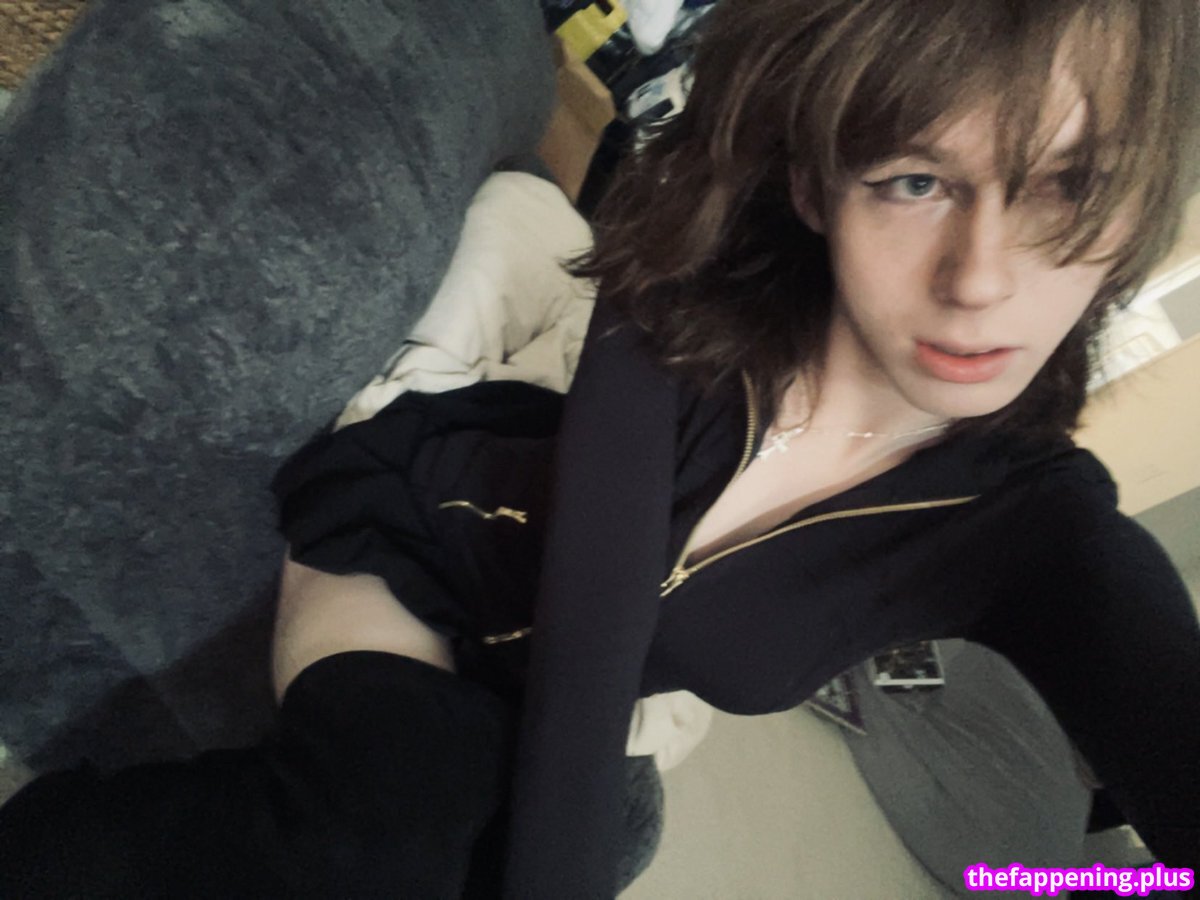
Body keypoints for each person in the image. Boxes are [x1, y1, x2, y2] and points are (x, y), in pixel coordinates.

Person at [3, 0, 1199, 897]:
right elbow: (586, 669)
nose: (980, 280)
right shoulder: (683, 305)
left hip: (519, 686)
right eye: (916, 180)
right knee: (376, 838)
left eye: (1068, 187)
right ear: (817, 187)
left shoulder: (1038, 533)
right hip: (417, 548)